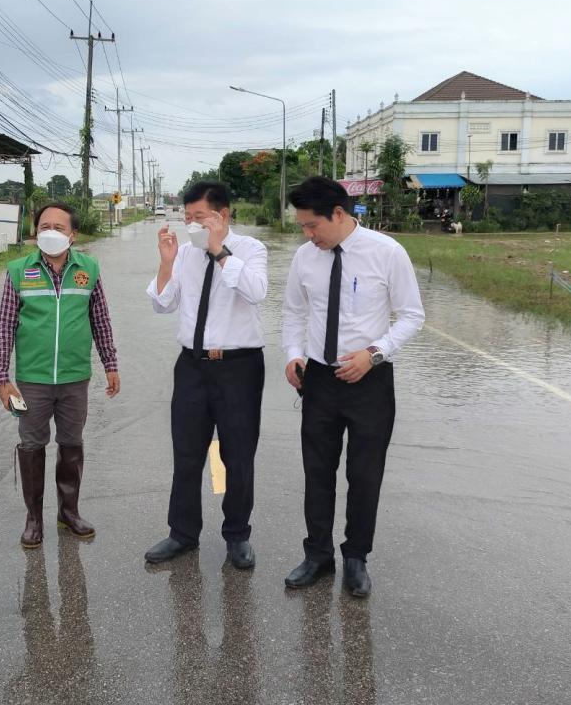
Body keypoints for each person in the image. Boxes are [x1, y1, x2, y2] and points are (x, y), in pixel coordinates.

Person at [281, 176, 424, 596]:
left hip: (369, 380)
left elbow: (412, 315)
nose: (308, 235)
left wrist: (374, 353)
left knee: (364, 474)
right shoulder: (304, 258)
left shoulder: (386, 252)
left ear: (339, 214)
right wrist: (293, 354)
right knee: (317, 472)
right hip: (319, 380)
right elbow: (293, 312)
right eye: (302, 227)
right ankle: (317, 555)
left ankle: (356, 557)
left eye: (312, 226)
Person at [144, 181, 268, 569]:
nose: (191, 224)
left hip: (239, 367)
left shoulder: (250, 249)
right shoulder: (184, 254)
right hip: (192, 366)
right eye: (187, 217)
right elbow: (162, 304)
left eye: (199, 217)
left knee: (238, 455)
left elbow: (256, 291)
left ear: (222, 215)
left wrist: (218, 250)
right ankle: (182, 533)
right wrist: (167, 263)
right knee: (186, 454)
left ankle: (237, 535)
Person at [0, 202, 120, 548]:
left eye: (59, 227)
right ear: (35, 233)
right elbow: (4, 326)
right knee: (31, 444)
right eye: (44, 226)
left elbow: (100, 320)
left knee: (72, 442)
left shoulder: (88, 270)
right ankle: (33, 518)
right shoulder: (19, 271)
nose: (50, 232)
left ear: (72, 235)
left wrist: (110, 364)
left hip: (75, 378)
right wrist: (2, 378)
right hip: (30, 381)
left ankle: (69, 512)